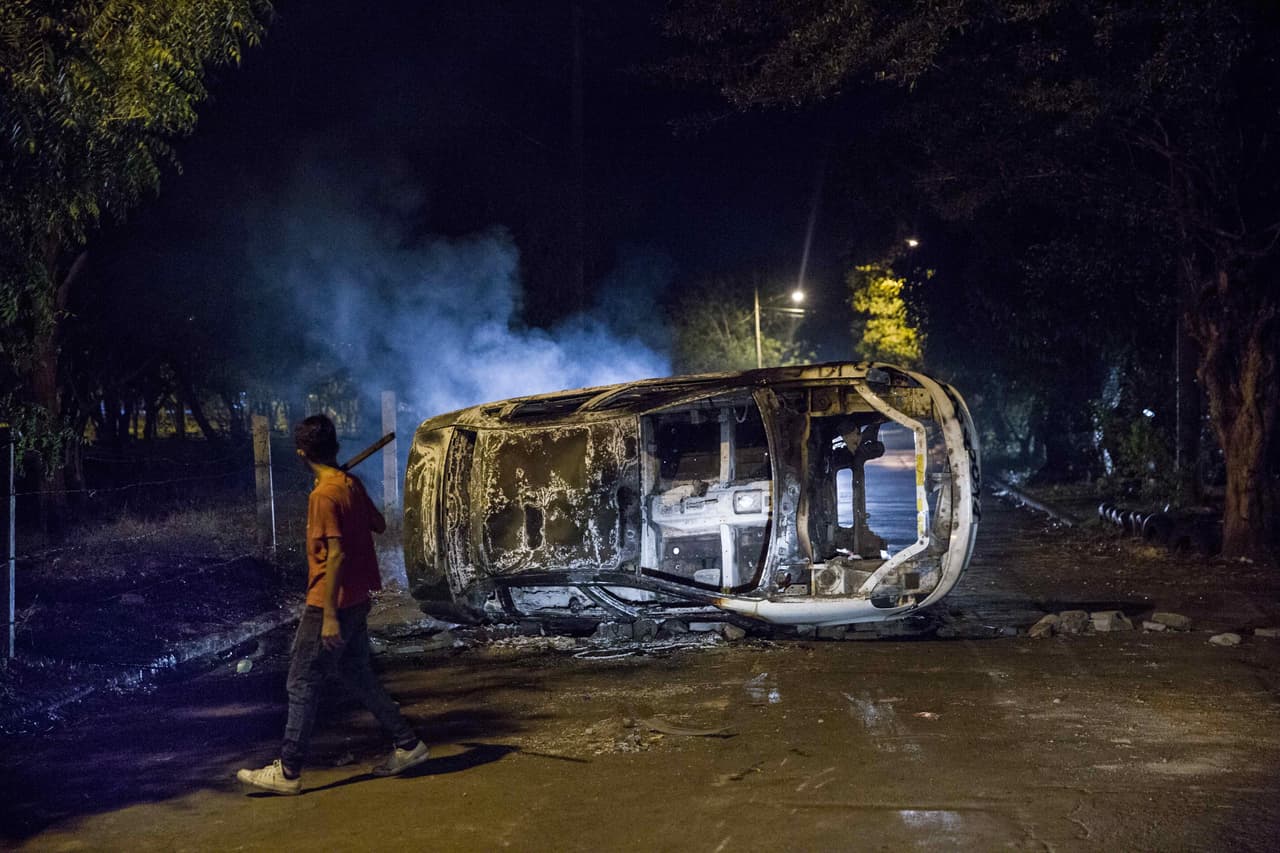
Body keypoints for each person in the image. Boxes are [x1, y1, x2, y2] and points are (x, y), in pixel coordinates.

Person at [237, 414, 430, 795]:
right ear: (335, 447)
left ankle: (288, 772)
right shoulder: (347, 485)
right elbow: (378, 524)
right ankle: (408, 744)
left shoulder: (324, 495)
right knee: (357, 674)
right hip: (358, 598)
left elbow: (336, 556)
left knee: (300, 681)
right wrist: (349, 487)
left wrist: (327, 617)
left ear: (301, 453)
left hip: (332, 602)